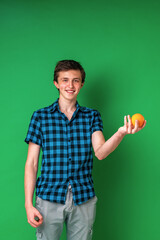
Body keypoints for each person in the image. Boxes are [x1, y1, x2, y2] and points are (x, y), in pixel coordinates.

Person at [24, 60, 146, 240]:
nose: (70, 85)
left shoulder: (92, 116)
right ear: (56, 83)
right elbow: (32, 163)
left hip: (83, 197)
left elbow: (101, 152)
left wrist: (121, 133)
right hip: (48, 196)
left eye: (75, 80)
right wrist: (28, 204)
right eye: (65, 80)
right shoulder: (40, 117)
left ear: (82, 84)